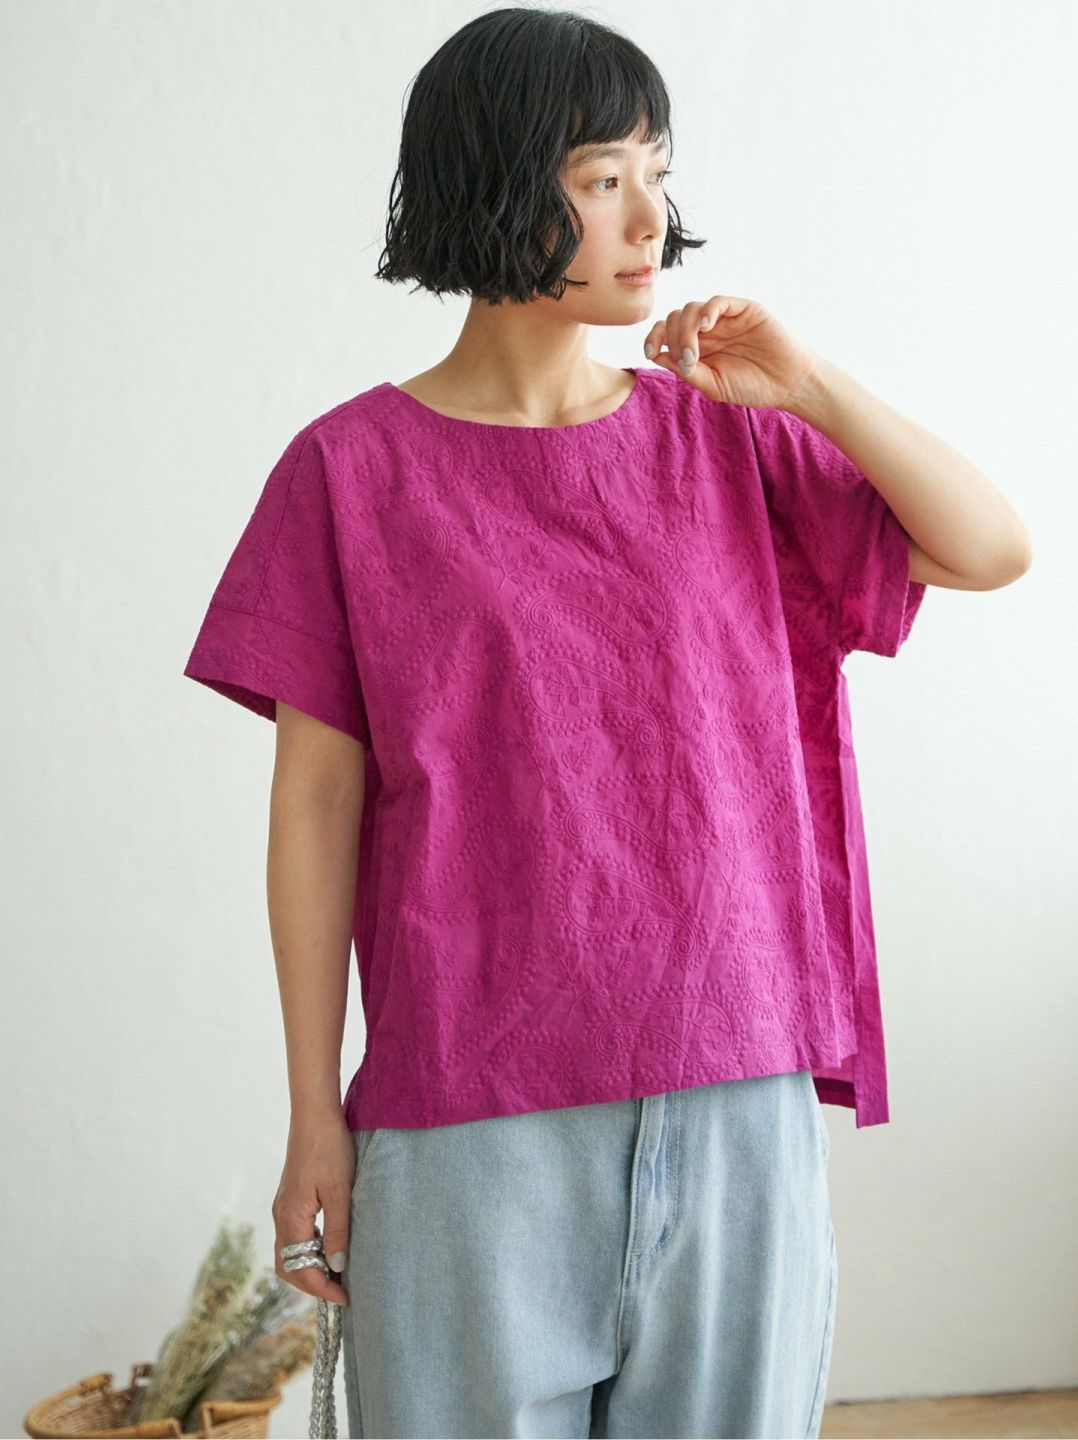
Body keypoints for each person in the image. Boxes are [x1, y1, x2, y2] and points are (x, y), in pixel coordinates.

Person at [182, 8, 1033, 1438]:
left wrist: (811, 386)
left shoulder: (728, 436)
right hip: (470, 1115)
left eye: (659, 171)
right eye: (602, 177)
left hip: (734, 1083)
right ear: (498, 184)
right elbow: (314, 811)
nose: (653, 218)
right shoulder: (349, 473)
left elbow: (990, 547)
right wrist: (313, 1113)